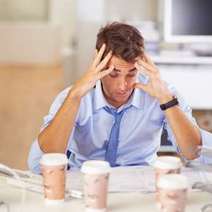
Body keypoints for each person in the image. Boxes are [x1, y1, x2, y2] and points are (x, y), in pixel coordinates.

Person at [28, 22, 210, 174]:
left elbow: (192, 152)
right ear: (98, 63)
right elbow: (44, 159)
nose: (123, 85)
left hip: (141, 186)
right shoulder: (73, 96)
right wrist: (75, 97)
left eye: (131, 73)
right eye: (114, 73)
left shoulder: (163, 93)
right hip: (85, 183)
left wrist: (167, 100)